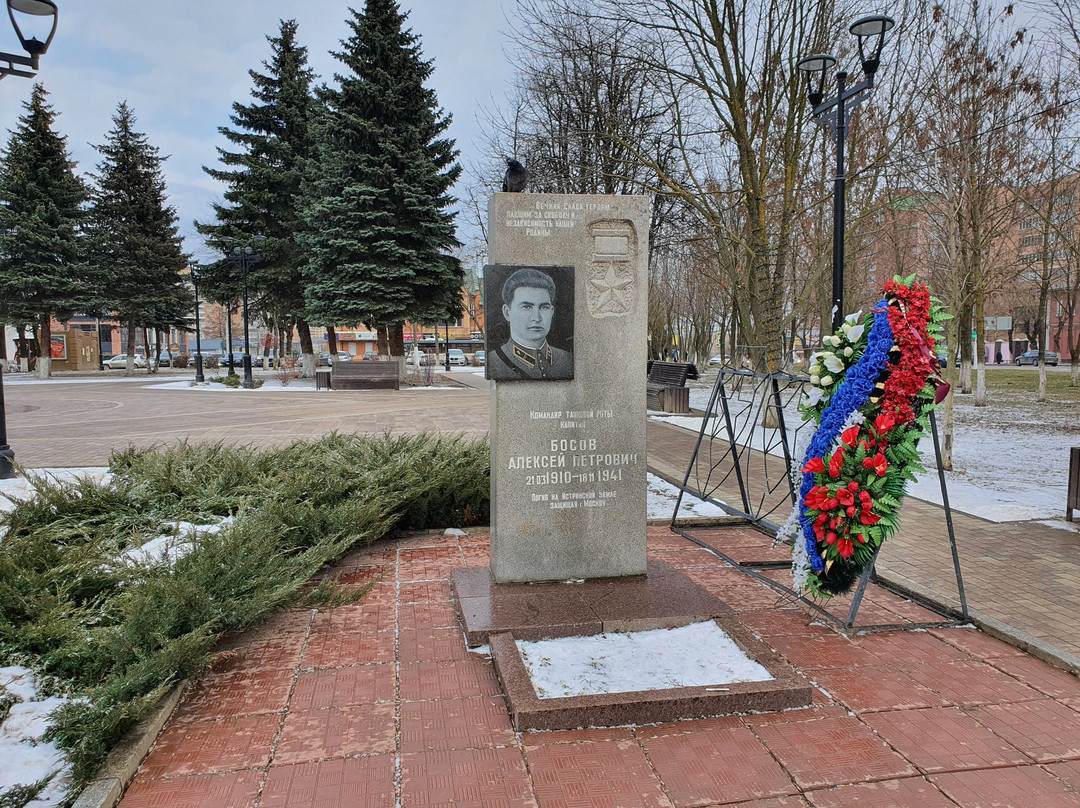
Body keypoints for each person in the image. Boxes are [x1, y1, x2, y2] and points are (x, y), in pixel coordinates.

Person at [488, 267, 573, 381]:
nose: (537, 318)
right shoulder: (493, 362)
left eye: (544, 307)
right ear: (507, 312)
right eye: (527, 307)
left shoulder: (567, 360)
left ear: (552, 311)